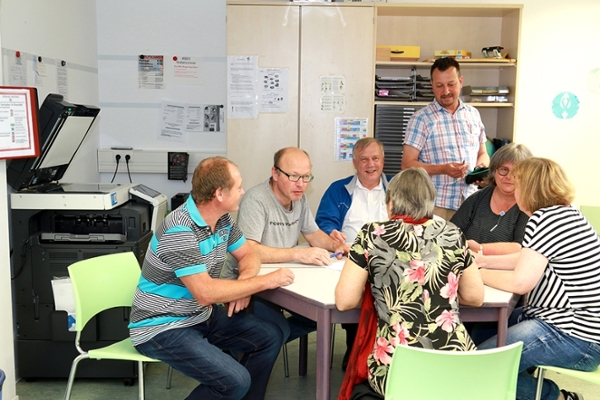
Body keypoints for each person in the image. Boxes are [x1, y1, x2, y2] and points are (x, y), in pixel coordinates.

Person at [129, 156, 295, 400]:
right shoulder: (179, 229)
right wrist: (266, 280)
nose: (243, 191)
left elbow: (249, 253)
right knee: (234, 381)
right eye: (238, 187)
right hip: (161, 327)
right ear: (219, 194)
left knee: (270, 336)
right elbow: (205, 292)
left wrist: (243, 286)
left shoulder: (222, 220)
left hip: (199, 315)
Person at [335, 167, 484, 399]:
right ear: (429, 201)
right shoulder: (454, 233)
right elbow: (475, 296)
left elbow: (345, 301)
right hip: (457, 366)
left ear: (391, 201)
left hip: (399, 367)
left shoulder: (373, 234)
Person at [477, 157, 600, 400]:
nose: (515, 190)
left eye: (518, 184)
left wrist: (476, 274)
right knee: (478, 334)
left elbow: (520, 283)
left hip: (572, 335)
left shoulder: (545, 220)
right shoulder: (565, 214)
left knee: (479, 365)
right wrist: (482, 261)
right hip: (577, 330)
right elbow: (527, 258)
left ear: (531, 188)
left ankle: (555, 397)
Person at [229, 147, 349, 344]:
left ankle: (257, 344)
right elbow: (249, 250)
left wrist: (335, 245)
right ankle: (244, 345)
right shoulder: (256, 200)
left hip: (284, 279)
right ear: (275, 173)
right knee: (277, 330)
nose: (301, 184)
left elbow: (313, 234)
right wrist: (298, 255)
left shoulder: (299, 199)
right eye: (293, 176)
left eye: (306, 177)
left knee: (318, 318)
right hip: (252, 281)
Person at [315, 137, 393, 370]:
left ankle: (383, 352)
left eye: (375, 158)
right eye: (364, 159)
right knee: (353, 297)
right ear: (355, 163)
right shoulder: (338, 189)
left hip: (389, 262)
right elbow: (323, 222)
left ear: (383, 161)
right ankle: (356, 350)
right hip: (350, 260)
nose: (371, 164)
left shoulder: (396, 189)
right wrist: (332, 234)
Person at [402, 57, 490, 220]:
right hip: (436, 206)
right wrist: (443, 169)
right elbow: (407, 165)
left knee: (468, 246)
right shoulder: (421, 119)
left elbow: (483, 153)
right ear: (431, 85)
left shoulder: (473, 114)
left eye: (451, 84)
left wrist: (481, 168)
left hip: (471, 202)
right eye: (439, 86)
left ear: (461, 81)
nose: (446, 92)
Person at [450, 143, 533, 257]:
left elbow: (520, 247)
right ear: (494, 170)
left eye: (516, 171)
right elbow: (450, 232)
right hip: (467, 265)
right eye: (504, 169)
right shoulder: (477, 198)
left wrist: (480, 249)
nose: (508, 176)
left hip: (504, 271)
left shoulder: (528, 206)